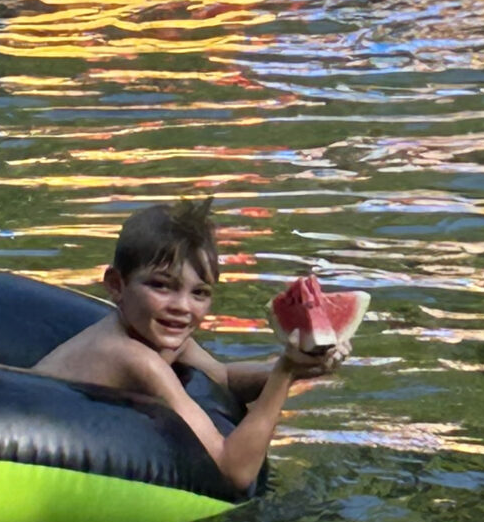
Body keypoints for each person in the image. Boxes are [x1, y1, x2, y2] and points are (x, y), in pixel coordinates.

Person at [33, 199, 344, 494]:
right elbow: (234, 471)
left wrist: (301, 366)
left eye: (199, 293)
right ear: (116, 285)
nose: (182, 307)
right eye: (161, 285)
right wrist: (284, 375)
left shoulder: (152, 336)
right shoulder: (133, 357)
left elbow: (221, 378)